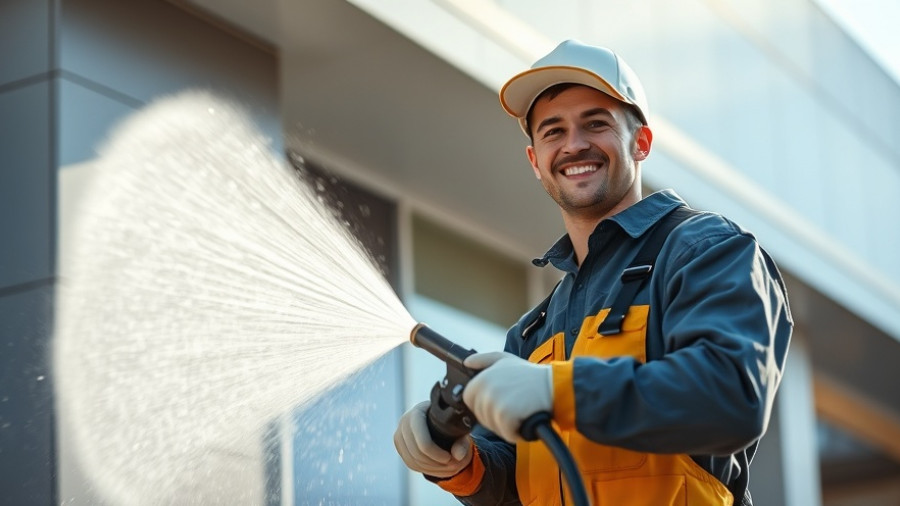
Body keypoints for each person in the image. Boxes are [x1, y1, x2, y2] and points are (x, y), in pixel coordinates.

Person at [394, 39, 792, 506]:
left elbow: (732, 395)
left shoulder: (702, 249)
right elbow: (520, 484)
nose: (574, 144)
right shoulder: (530, 332)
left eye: (595, 123)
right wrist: (461, 465)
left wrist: (557, 391)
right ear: (535, 163)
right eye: (552, 131)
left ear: (641, 142)